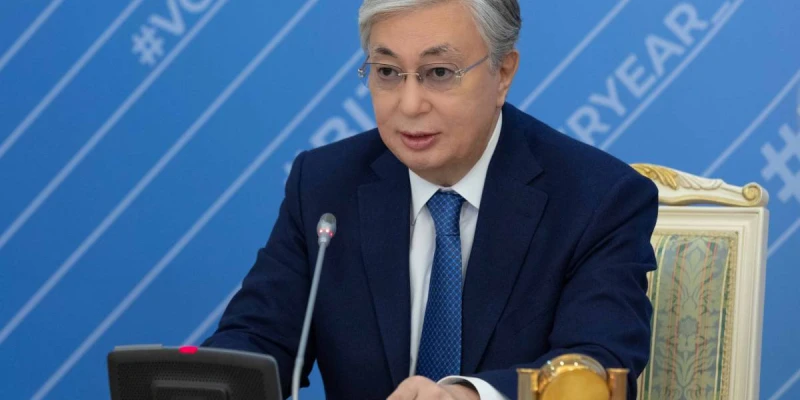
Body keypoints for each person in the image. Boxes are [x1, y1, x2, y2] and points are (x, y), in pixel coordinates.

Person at [202, 0, 659, 399]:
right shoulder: (324, 185)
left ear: (503, 74)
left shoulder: (597, 199)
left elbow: (597, 367)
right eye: (387, 72)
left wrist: (466, 397)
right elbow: (257, 340)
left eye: (439, 73)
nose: (409, 104)